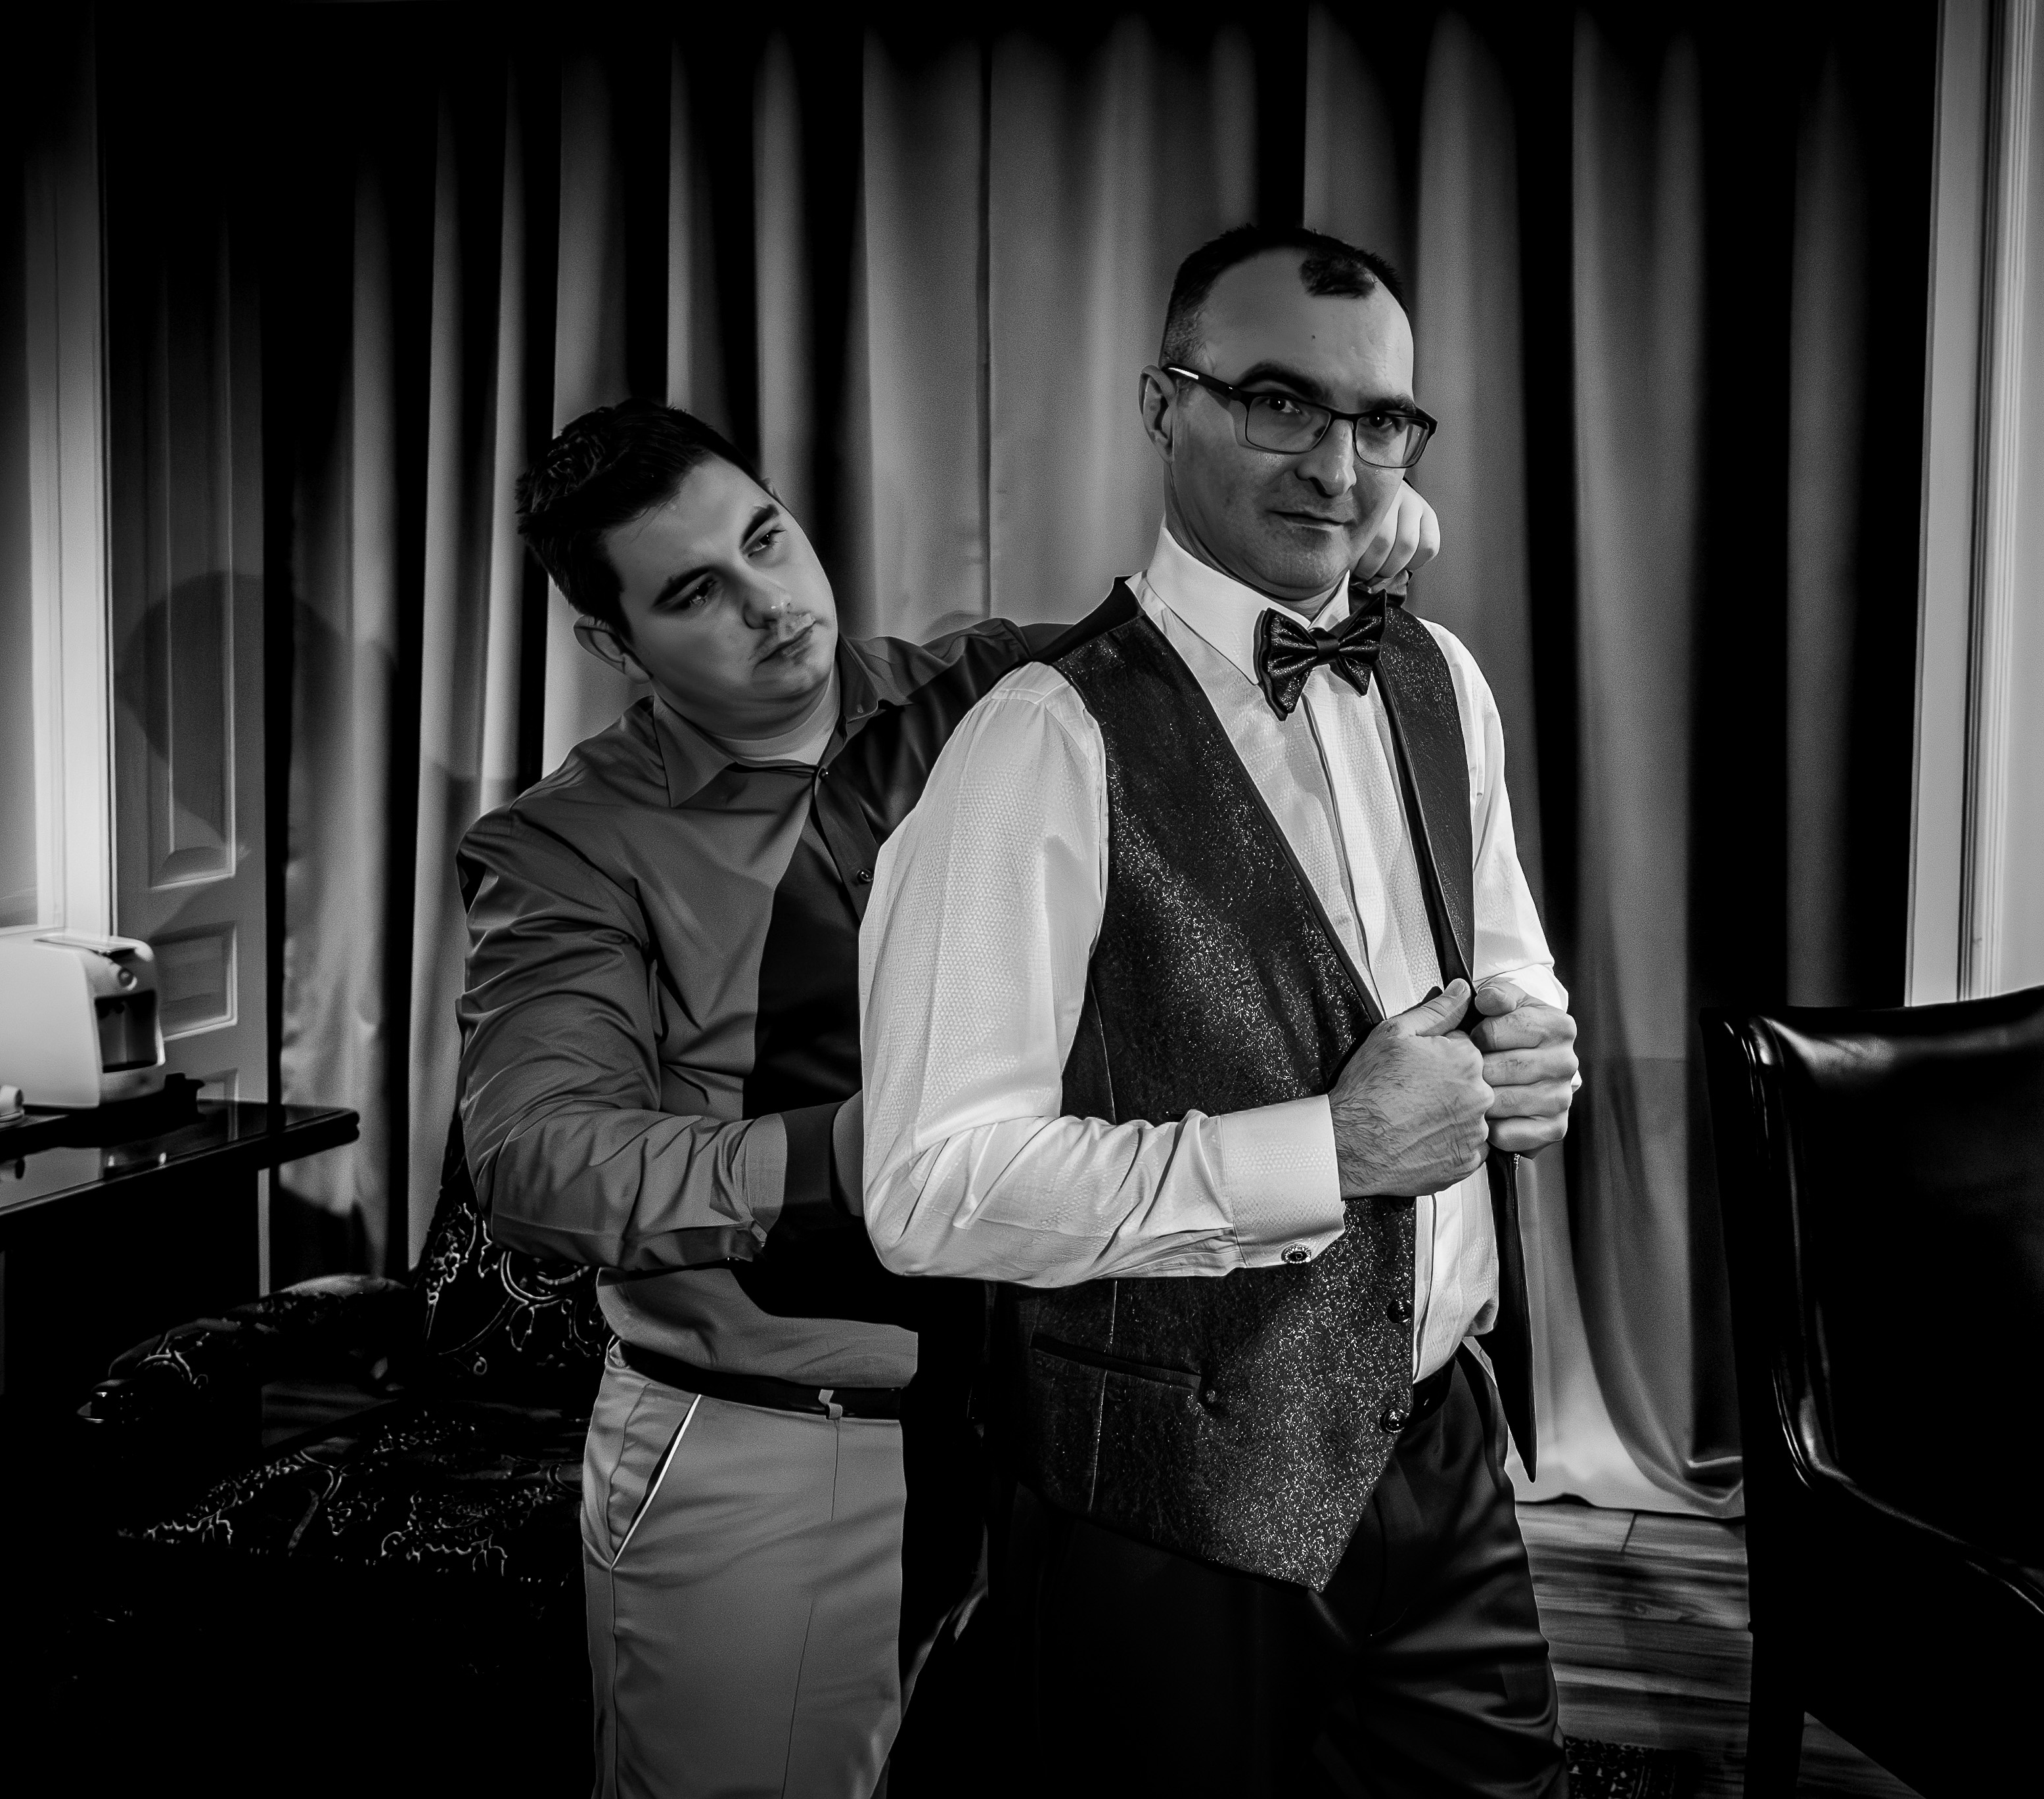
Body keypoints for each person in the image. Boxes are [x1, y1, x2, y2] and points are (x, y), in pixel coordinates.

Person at [461, 398, 1442, 1798]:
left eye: (766, 540)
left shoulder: (996, 688)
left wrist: (1332, 550)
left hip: (1052, 1431)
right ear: (611, 646)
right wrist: (886, 1154)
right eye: (694, 593)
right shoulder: (570, 845)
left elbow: (1228, 664)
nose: (770, 604)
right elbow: (539, 1160)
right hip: (781, 1448)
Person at [856, 223, 1581, 1798]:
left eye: (1378, 420)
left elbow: (1505, 956)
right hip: (1167, 1510)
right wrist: (1330, 1149)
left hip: (1443, 1455)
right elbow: (924, 1187)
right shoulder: (1037, 742)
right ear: (1160, 403)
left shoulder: (1440, 677)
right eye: (1277, 401)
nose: (1335, 464)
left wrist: (1533, 1048)